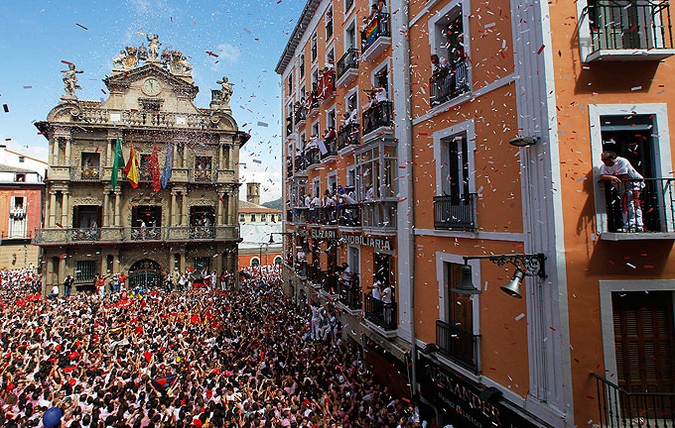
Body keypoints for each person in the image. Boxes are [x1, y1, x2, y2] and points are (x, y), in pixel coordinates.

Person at [599, 150, 645, 232]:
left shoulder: (622, 161)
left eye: (605, 159)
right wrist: (611, 177)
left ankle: (635, 225)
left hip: (634, 184)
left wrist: (611, 177)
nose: (604, 162)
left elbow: (623, 175)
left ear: (612, 158)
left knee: (632, 204)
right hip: (623, 187)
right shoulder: (605, 166)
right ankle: (629, 225)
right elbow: (602, 175)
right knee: (625, 205)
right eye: (602, 160)